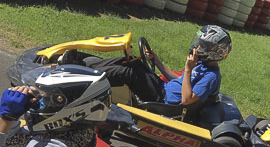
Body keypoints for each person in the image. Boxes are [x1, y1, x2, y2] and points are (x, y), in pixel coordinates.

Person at [0, 65, 112, 147]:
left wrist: (6, 117)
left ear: (75, 109)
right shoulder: (71, 135)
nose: (38, 101)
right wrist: (14, 117)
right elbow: (11, 139)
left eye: (47, 99)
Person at [65, 25, 231, 107]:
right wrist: (157, 61)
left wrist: (188, 69)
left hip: (162, 100)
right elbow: (180, 80)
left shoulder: (211, 77)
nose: (197, 47)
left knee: (129, 71)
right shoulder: (202, 66)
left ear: (214, 52)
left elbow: (187, 100)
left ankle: (81, 74)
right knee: (133, 61)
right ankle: (82, 62)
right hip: (162, 87)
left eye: (203, 45)